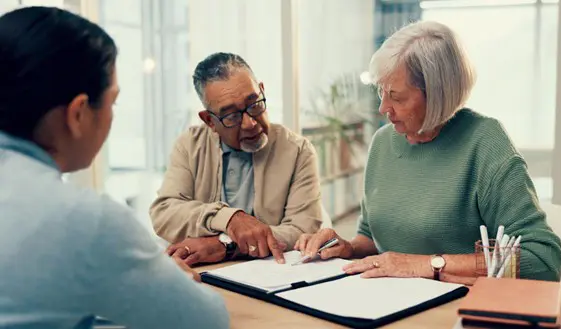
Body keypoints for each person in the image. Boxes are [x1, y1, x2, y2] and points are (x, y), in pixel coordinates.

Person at [0, 7, 228, 329]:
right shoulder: (84, 219)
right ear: (78, 114)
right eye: (113, 101)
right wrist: (169, 280)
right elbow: (206, 322)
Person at [295, 21, 561, 282]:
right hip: (388, 304)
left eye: (396, 97)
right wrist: (347, 248)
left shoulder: (485, 143)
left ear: (438, 94)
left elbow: (542, 259)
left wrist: (425, 265)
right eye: (381, 92)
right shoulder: (382, 143)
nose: (383, 108)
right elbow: (373, 237)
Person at [150, 52, 322, 265]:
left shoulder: (298, 150)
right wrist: (230, 219)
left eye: (254, 104)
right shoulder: (190, 145)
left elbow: (302, 230)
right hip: (203, 272)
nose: (250, 123)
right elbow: (165, 212)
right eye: (231, 115)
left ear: (262, 90)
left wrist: (225, 245)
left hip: (271, 272)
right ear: (210, 121)